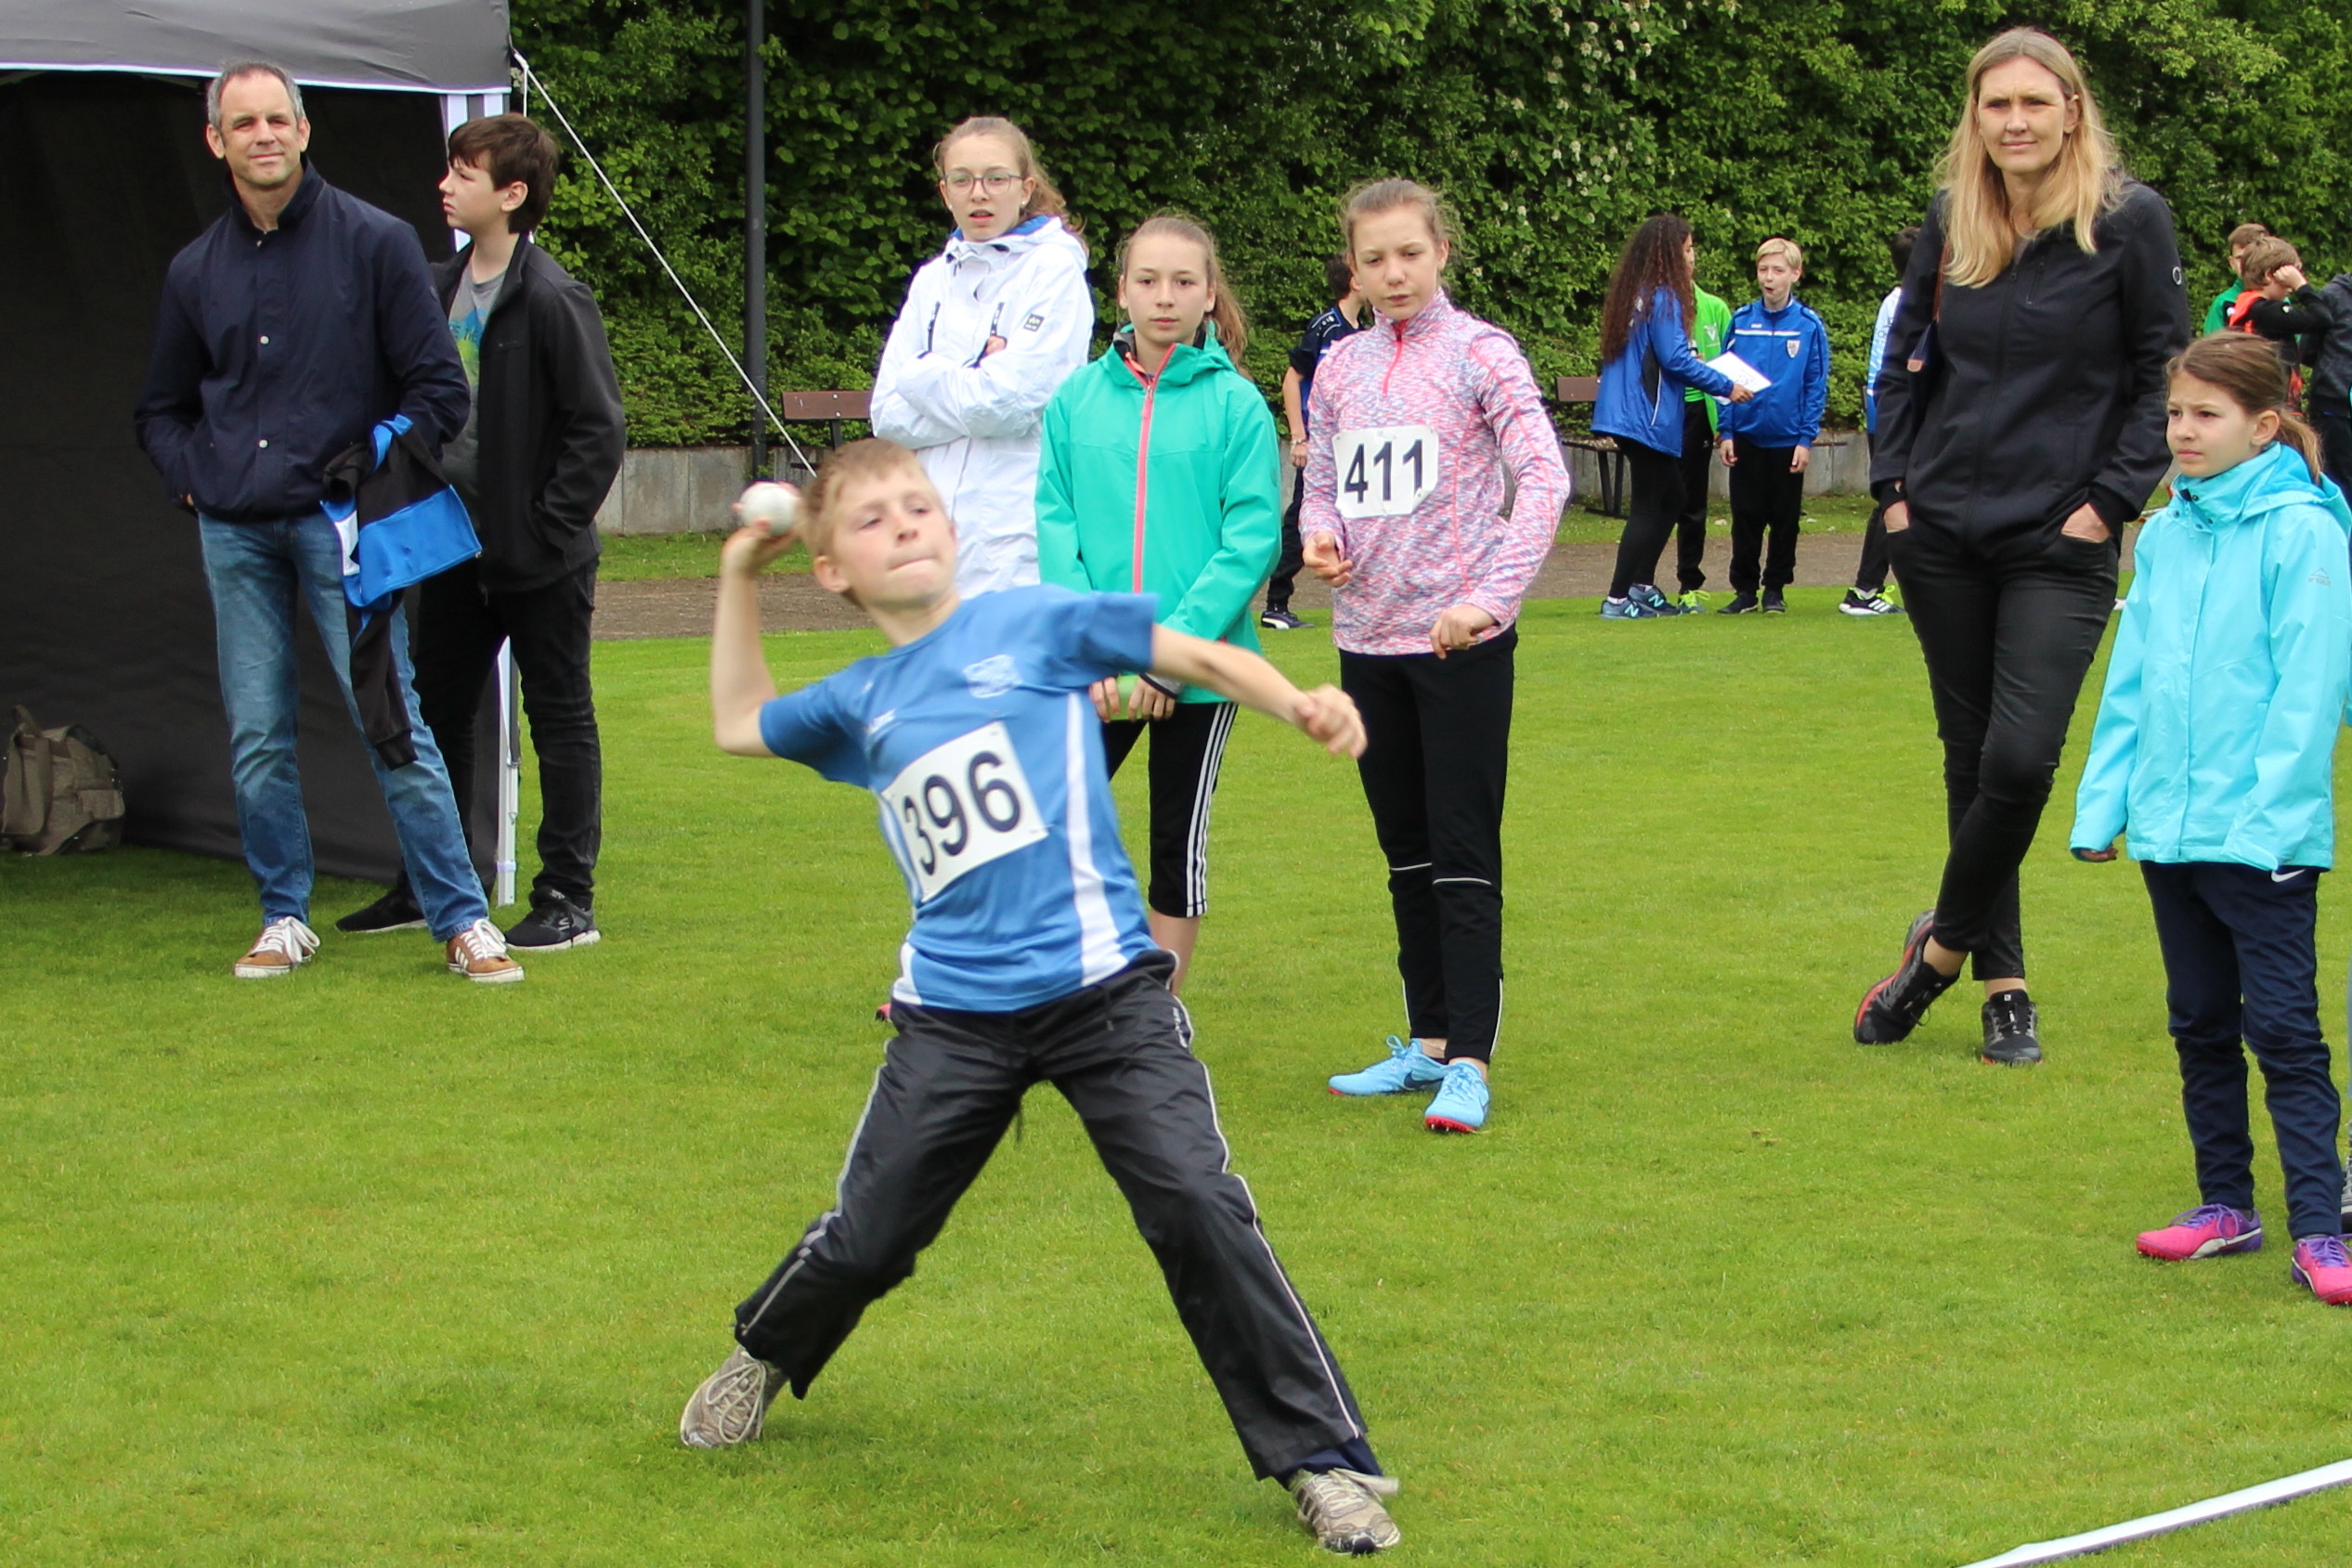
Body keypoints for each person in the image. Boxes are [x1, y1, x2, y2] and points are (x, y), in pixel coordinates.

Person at [681, 438, 1405, 1555]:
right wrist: (737, 572)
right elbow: (738, 721)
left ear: (952, 528)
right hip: (952, 1021)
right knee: (871, 1237)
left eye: (918, 506)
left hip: (1106, 996)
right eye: (871, 520)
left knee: (1196, 1204)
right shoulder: (859, 701)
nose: (904, 525)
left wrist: (1294, 700)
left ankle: (1322, 1463)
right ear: (830, 571)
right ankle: (765, 1353)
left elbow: (1191, 654)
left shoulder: (1036, 622)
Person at [134, 60, 520, 984]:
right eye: (243, 123)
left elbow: (438, 389)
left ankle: (462, 919)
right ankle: (283, 916)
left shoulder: (376, 243)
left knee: (391, 720)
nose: (263, 135)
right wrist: (196, 479)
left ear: (304, 130)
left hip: (340, 528)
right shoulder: (195, 269)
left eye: (278, 119)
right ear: (216, 141)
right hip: (235, 530)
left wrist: (375, 458)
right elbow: (160, 410)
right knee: (257, 733)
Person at [1854, 27, 2189, 1064]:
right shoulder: (1954, 215)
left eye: (2033, 103)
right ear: (1976, 115)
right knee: (1970, 760)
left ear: (2071, 110)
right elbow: (1902, 361)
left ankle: (1936, 955)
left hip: (2059, 536)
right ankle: (2006, 988)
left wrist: (2107, 503)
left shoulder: (2129, 222)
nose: (2013, 122)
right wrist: (1893, 492)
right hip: (1939, 532)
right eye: (1995, 104)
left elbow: (2161, 373)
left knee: (2019, 756)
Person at [2069, 332, 2352, 1305]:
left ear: (2262, 425)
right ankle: (2224, 1205)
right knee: (2197, 1021)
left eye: (2205, 415)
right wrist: (2104, 804)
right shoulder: (2165, 534)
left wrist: (2267, 823)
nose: (2182, 432)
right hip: (2170, 828)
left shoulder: (2303, 530)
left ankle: (2320, 1228)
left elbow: (2309, 690)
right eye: (2173, 414)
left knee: (2284, 1032)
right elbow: (2132, 680)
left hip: (2262, 838)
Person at [1303, 179, 1570, 1134]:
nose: (1393, 273)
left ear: (1441, 252)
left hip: (1458, 645)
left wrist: (1487, 600)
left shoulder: (1480, 352)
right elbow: (1323, 483)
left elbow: (1544, 477)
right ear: (1353, 266)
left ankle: (1470, 1062)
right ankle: (1425, 1042)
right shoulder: (1338, 367)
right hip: (1365, 642)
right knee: (1405, 855)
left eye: (1409, 253)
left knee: (1460, 854)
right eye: (1373, 258)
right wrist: (1321, 537)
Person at [334, 113, 626, 951]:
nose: (444, 185)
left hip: (539, 558)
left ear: (512, 193)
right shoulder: (436, 287)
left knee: (558, 718)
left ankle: (566, 899)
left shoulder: (553, 297)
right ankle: (432, 882)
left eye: (464, 173)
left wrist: (544, 527)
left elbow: (598, 427)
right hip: (451, 551)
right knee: (436, 715)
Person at [1035, 215, 1278, 994]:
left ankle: (1157, 1015)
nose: (1163, 297)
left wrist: (1167, 656)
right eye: (1147, 280)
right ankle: (1044, 989)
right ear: (1121, 291)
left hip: (1198, 672)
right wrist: (1104, 648)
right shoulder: (1074, 401)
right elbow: (1055, 527)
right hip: (1097, 668)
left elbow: (1248, 541)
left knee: (1176, 846)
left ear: (1209, 295)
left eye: (1182, 281)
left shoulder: (1236, 405)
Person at [869, 116, 1092, 596]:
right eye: (962, 180)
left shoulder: (1054, 270)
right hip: (931, 536)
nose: (979, 194)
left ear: (1025, 188)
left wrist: (922, 374)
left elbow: (1006, 405)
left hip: (1016, 537)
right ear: (945, 192)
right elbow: (886, 415)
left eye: (996, 179)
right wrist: (975, 377)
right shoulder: (931, 280)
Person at [1593, 214, 1750, 618]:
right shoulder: (1664, 296)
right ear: (1669, 254)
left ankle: (1641, 586)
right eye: (1687, 249)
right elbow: (1675, 358)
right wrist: (1726, 385)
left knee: (1674, 496)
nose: (1692, 257)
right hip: (1643, 415)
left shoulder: (1637, 293)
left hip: (1626, 413)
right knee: (1649, 504)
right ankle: (1618, 598)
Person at [1717, 238, 1830, 616]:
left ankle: (1775, 590)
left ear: (1795, 274)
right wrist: (1727, 431)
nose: (1769, 278)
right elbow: (1724, 379)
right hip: (1746, 436)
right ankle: (1745, 590)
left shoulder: (1808, 326)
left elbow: (1815, 384)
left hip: (1787, 439)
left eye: (1778, 270)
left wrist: (1805, 438)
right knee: (1745, 518)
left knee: (1784, 520)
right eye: (1763, 269)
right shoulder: (1741, 321)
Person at [1263, 254, 1366, 630]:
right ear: (1355, 281)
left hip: (1351, 445)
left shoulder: (1364, 331)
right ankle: (1276, 603)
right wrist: (1300, 437)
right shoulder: (1326, 327)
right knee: (1300, 517)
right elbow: (1293, 379)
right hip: (1321, 444)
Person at [1841, 226, 1920, 617]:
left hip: (1883, 405)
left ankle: (1882, 584)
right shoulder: (1908, 303)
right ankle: (1865, 588)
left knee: (1903, 494)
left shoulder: (1896, 300)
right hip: (1892, 407)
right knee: (1894, 494)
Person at [2245, 253, 2352, 491]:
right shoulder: (2334, 296)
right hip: (2334, 407)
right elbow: (2310, 348)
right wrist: (2302, 286)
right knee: (2336, 481)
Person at [1670, 274, 1734, 607]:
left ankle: (1689, 585)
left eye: (1691, 250)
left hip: (1699, 412)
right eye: (1682, 251)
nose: (1688, 258)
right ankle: (1639, 585)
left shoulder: (1714, 308)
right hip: (1664, 412)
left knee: (1692, 503)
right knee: (1657, 501)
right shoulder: (1657, 306)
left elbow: (1730, 367)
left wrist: (1724, 421)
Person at [2201, 221, 2270, 336]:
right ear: (2231, 263)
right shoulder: (2223, 303)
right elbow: (2211, 345)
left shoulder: (2279, 298)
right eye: (2240, 258)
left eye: (2252, 257)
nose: (2245, 264)